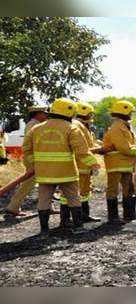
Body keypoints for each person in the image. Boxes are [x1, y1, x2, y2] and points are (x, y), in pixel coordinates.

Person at [22, 98, 99, 236]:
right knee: (73, 198)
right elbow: (81, 151)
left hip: (44, 173)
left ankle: (44, 230)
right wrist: (94, 164)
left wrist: (32, 165)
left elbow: (27, 149)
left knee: (44, 199)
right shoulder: (72, 128)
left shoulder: (36, 128)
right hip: (67, 172)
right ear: (69, 113)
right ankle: (78, 227)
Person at [103, 100, 136, 224]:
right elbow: (124, 148)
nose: (132, 115)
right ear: (124, 111)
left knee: (129, 188)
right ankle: (113, 218)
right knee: (113, 190)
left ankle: (129, 214)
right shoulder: (117, 127)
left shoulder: (125, 126)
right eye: (130, 112)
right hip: (115, 164)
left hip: (125, 164)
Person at [59, 102, 102, 227]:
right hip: (80, 165)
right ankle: (66, 220)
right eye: (90, 114)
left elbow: (87, 145)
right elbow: (82, 148)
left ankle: (83, 216)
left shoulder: (82, 126)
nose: (91, 117)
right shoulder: (77, 126)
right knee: (70, 193)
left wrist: (98, 147)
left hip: (84, 165)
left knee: (84, 191)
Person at [5, 106, 49, 217]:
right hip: (33, 158)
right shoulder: (33, 125)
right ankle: (13, 207)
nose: (46, 115)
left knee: (45, 183)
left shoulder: (35, 124)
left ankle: (47, 207)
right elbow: (34, 143)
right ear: (37, 114)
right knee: (28, 183)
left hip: (36, 158)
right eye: (44, 113)